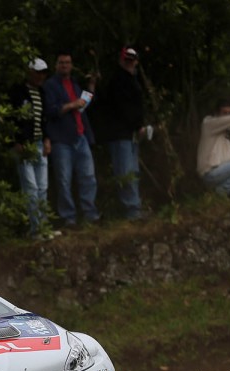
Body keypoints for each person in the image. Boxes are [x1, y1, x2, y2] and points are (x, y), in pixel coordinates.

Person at [43, 52, 101, 227]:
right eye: (61, 63)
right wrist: (70, 105)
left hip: (80, 135)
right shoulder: (50, 86)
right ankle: (69, 218)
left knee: (88, 177)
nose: (64, 66)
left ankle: (90, 214)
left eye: (67, 63)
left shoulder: (74, 84)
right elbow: (50, 111)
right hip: (61, 139)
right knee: (64, 180)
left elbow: (83, 104)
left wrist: (91, 85)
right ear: (56, 65)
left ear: (71, 65)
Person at [99, 46, 146, 220]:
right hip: (119, 133)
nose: (129, 62)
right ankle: (131, 210)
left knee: (132, 170)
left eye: (132, 59)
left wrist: (138, 126)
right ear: (121, 60)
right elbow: (123, 108)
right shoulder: (119, 80)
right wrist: (138, 125)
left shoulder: (133, 79)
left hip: (129, 133)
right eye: (127, 59)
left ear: (136, 61)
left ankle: (134, 208)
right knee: (125, 171)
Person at [8, 58, 52, 237]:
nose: (41, 76)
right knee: (31, 188)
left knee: (42, 186)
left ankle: (44, 226)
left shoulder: (41, 92)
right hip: (25, 145)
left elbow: (44, 118)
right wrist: (16, 141)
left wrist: (47, 138)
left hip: (40, 143)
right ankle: (36, 229)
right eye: (38, 72)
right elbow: (12, 118)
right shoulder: (18, 92)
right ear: (30, 72)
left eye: (43, 73)